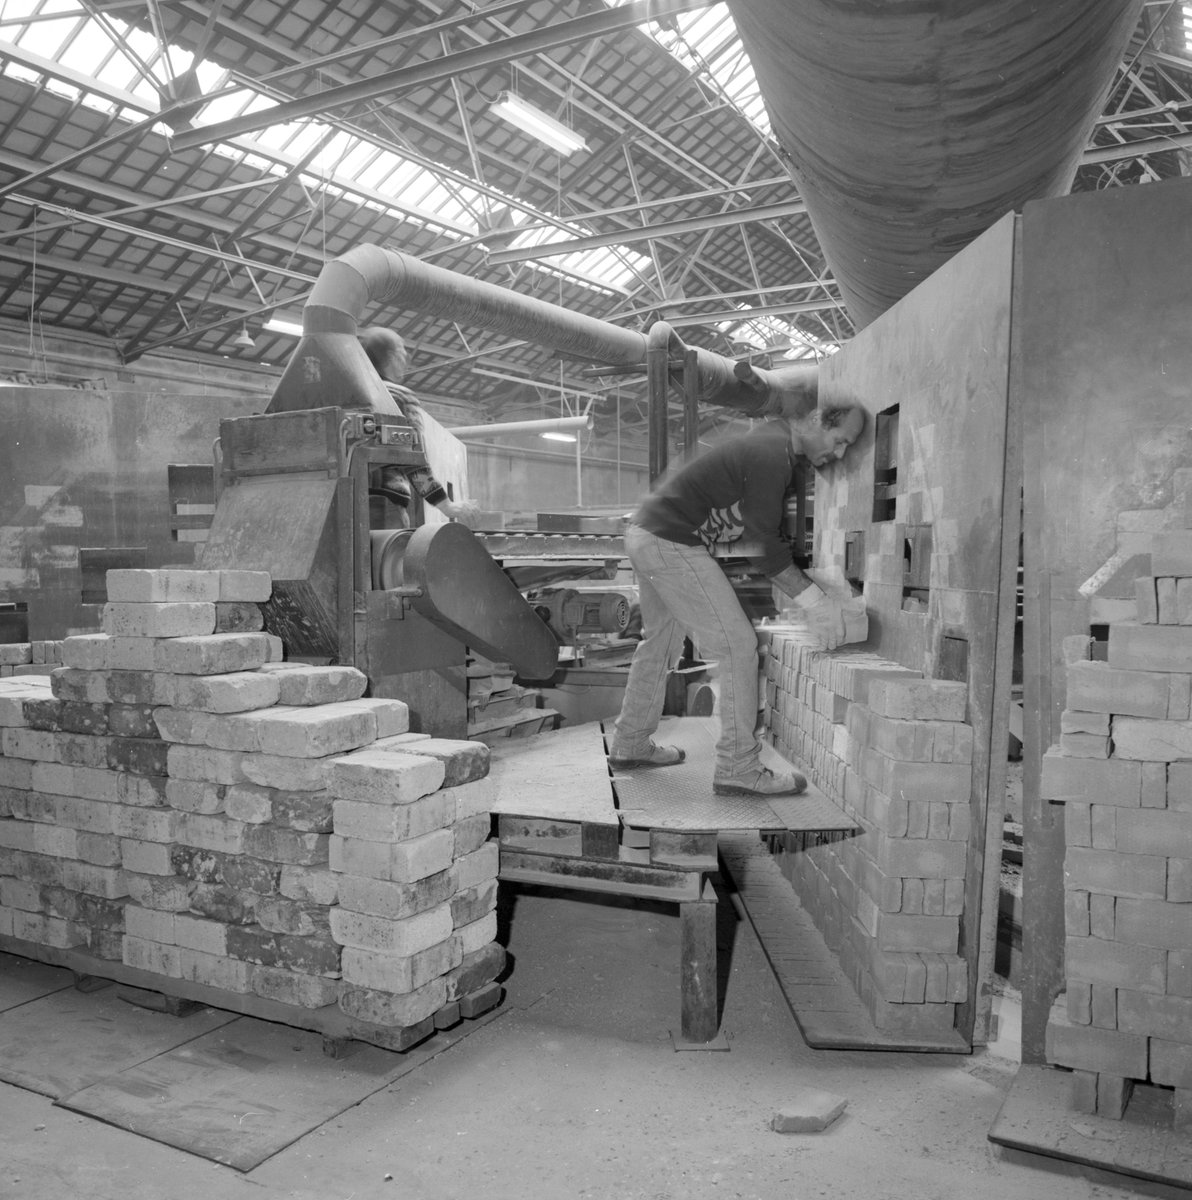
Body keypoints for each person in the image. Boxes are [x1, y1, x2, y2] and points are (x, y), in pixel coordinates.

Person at [607, 401, 867, 797]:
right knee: (739, 647)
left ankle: (630, 744)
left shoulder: (771, 444)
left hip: (646, 534)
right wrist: (819, 604)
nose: (840, 452)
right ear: (815, 420)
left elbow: (759, 537)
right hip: (668, 541)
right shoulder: (772, 453)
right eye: (840, 439)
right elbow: (768, 548)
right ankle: (738, 767)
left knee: (660, 642)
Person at [359, 326, 480, 528]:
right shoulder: (399, 397)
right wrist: (447, 506)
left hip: (344, 502)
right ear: (393, 357)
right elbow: (415, 462)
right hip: (384, 507)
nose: (406, 356)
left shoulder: (350, 392)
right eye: (402, 349)